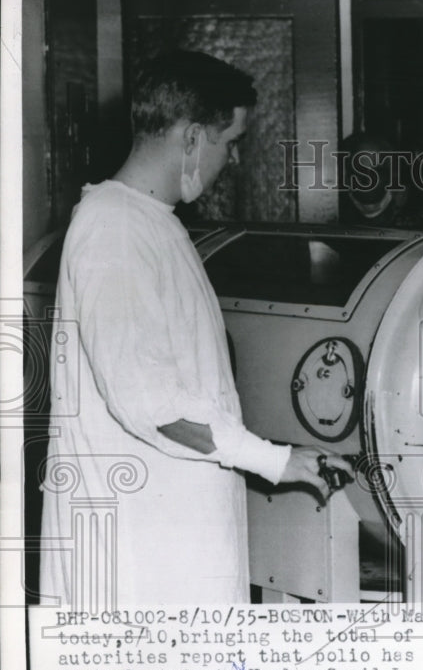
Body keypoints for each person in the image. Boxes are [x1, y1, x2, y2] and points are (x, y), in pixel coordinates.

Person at [40, 51, 352, 608]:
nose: (231, 161)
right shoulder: (114, 228)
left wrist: (273, 451)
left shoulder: (153, 222)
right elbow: (153, 404)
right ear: (190, 138)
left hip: (172, 543)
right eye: (229, 142)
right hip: (143, 561)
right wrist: (273, 459)